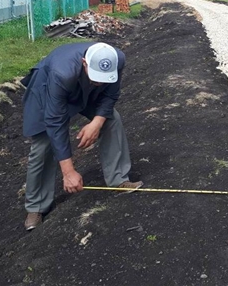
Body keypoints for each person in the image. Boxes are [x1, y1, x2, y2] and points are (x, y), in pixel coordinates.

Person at [20, 42, 143, 231]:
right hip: (48, 90)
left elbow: (111, 94)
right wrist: (68, 173)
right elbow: (55, 122)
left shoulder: (116, 59)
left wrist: (96, 122)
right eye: (97, 78)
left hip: (85, 90)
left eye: (104, 79)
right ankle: (36, 206)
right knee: (43, 143)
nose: (100, 83)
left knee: (112, 119)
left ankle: (119, 179)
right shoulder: (62, 72)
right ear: (84, 63)